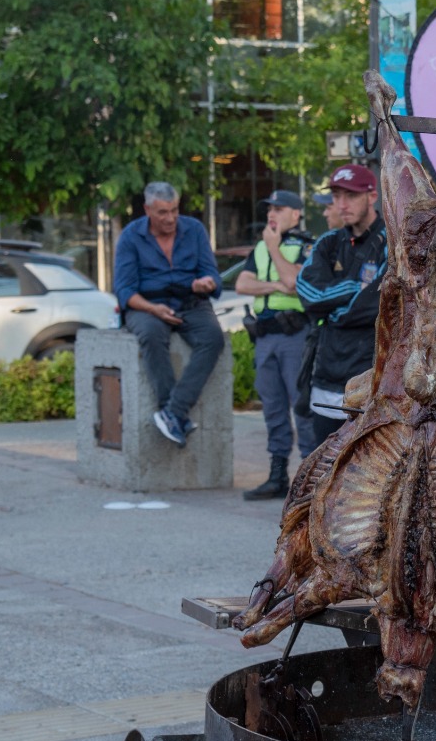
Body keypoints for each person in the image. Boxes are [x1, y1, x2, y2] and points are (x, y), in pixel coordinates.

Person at [114, 181, 225, 448]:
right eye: (163, 212)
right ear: (147, 210)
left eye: (174, 210)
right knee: (152, 334)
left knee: (213, 337)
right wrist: (154, 309)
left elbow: (213, 276)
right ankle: (170, 410)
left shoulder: (194, 230)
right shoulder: (130, 237)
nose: (171, 218)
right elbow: (124, 291)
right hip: (147, 305)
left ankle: (173, 413)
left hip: (190, 301)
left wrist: (207, 283)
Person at [297, 163, 386, 447]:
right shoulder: (328, 242)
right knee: (319, 468)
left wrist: (332, 308)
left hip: (370, 377)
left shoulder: (391, 241)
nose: (341, 204)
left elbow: (378, 303)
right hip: (326, 374)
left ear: (372, 196)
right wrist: (352, 288)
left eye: (350, 195)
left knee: (365, 474)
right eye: (336, 196)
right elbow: (308, 294)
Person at [236, 190, 315, 500]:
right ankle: (277, 475)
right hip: (265, 337)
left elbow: (296, 283)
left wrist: (274, 250)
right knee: (272, 408)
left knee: (301, 407)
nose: (272, 214)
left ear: (295, 214)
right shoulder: (259, 248)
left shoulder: (307, 246)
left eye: (279, 209)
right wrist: (273, 283)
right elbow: (242, 284)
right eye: (269, 208)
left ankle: (311, 478)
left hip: (294, 337)